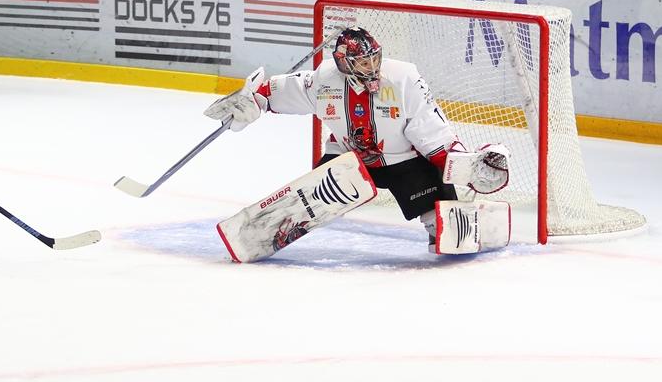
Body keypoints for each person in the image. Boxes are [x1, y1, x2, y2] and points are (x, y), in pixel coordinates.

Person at [204, 27, 511, 260]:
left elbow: (432, 131)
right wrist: (253, 101)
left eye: (374, 58)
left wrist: (464, 165)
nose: (372, 66)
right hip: (348, 160)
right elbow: (279, 91)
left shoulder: (404, 79)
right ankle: (272, 225)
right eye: (363, 61)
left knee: (444, 228)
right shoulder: (323, 80)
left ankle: (472, 223)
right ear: (343, 63)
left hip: (404, 161)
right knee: (308, 200)